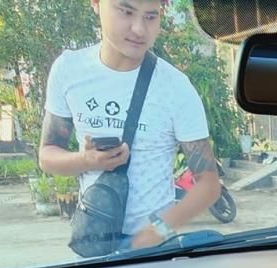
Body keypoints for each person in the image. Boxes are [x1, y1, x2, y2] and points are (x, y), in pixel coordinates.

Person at [39, 0, 221, 254]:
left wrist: (157, 232)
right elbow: (47, 156)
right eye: (126, 12)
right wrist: (86, 160)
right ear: (96, 4)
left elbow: (209, 185)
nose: (139, 29)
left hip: (154, 249)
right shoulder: (69, 70)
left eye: (151, 17)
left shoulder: (176, 88)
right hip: (93, 238)